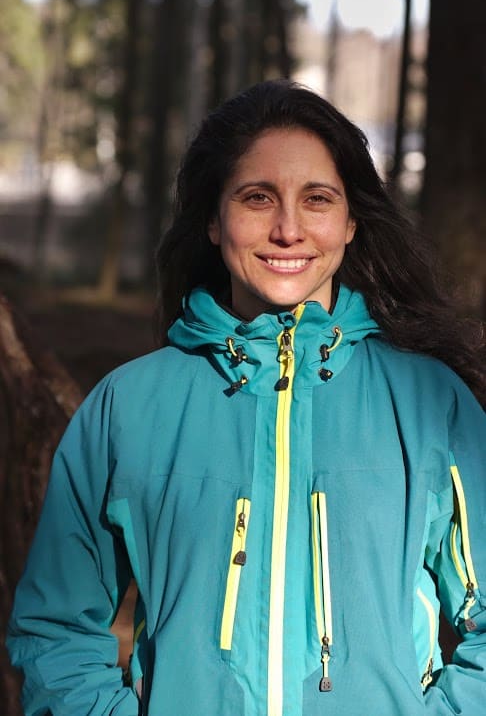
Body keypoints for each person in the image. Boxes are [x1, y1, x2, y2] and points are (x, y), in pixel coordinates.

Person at [7, 80, 486, 716]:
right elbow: (57, 629)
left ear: (350, 222)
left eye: (317, 199)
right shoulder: (126, 408)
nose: (288, 229)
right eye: (257, 197)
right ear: (213, 219)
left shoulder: (429, 404)